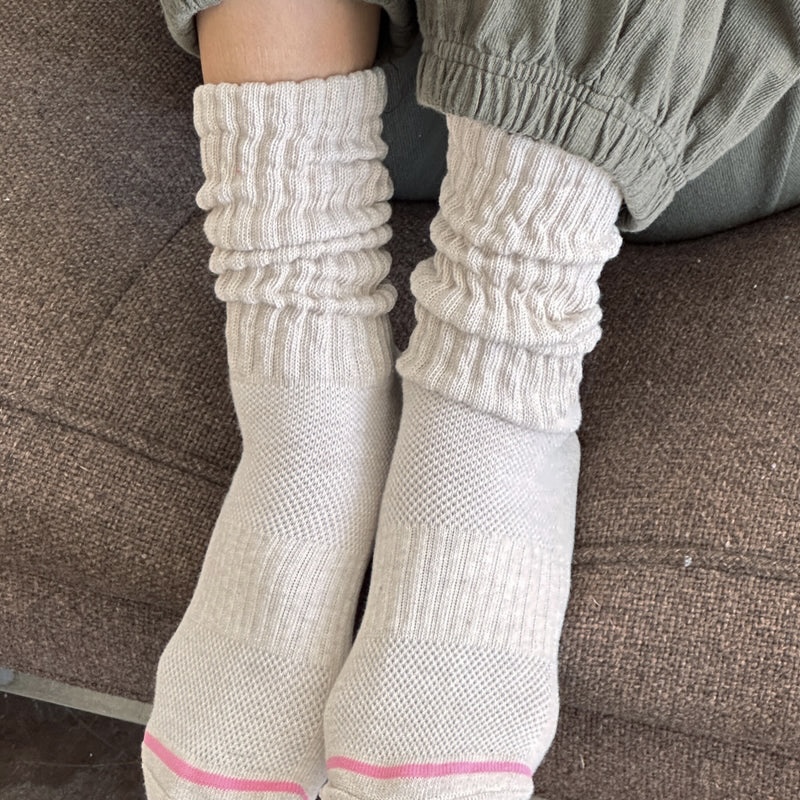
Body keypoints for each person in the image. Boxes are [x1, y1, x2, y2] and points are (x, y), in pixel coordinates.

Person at [141, 2, 800, 798]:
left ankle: (495, 375)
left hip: (690, 100)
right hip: (362, 62)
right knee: (299, 309)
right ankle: (308, 377)